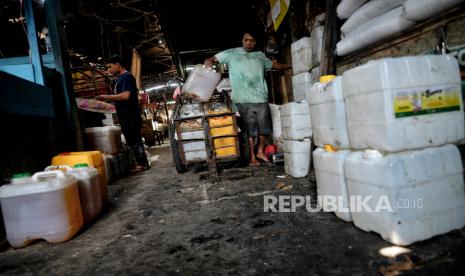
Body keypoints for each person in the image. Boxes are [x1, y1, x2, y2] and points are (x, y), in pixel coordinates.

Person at [204, 31, 291, 166]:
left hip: (261, 97)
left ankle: (260, 151)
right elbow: (213, 60)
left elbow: (275, 66)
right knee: (249, 130)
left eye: (252, 41)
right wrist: (208, 62)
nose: (248, 43)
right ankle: (252, 157)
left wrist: (290, 65)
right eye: (246, 40)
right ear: (242, 40)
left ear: (255, 43)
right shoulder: (231, 53)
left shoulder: (260, 56)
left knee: (265, 129)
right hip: (242, 98)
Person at [97, 55, 149, 172]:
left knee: (135, 140)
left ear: (118, 65)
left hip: (130, 115)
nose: (109, 70)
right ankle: (140, 163)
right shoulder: (119, 79)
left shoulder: (127, 77)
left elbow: (126, 96)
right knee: (131, 140)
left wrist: (106, 97)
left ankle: (143, 164)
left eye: (110, 67)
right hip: (125, 115)